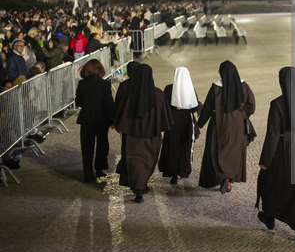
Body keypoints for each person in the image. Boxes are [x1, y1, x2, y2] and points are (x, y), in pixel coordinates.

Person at [256, 67, 295, 243]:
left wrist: (265, 161)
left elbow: (273, 135)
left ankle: (269, 216)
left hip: (284, 156)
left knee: (272, 186)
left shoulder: (277, 104)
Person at [113, 64, 174, 203]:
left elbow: (121, 112)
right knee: (148, 161)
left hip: (132, 135)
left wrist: (117, 124)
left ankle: (137, 186)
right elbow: (165, 117)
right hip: (151, 135)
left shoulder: (130, 93)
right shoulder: (158, 94)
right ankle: (141, 185)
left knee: (134, 160)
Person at [197, 60, 255, 193]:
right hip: (238, 124)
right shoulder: (244, 86)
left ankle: (222, 178)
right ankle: (229, 180)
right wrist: (243, 115)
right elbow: (251, 105)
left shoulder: (215, 88)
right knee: (234, 152)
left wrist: (199, 124)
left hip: (219, 123)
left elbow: (207, 109)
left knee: (216, 150)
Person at [158, 67, 202, 184]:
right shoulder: (190, 89)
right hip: (185, 122)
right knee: (185, 146)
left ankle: (173, 174)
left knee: (172, 148)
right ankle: (184, 170)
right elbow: (194, 106)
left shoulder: (168, 89)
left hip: (171, 123)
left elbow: (164, 106)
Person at [75, 59, 114, 183]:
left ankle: (88, 174)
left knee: (87, 147)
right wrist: (113, 119)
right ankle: (100, 168)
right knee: (102, 144)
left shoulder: (82, 84)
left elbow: (78, 102)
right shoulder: (105, 84)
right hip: (101, 119)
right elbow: (109, 103)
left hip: (86, 118)